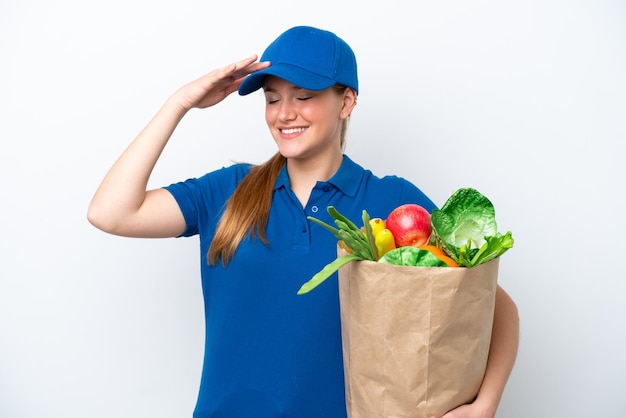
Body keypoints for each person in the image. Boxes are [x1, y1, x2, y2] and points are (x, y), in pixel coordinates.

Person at [88, 25, 519, 418]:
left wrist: (485, 404)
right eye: (272, 98)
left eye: (304, 96)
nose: (284, 113)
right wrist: (179, 103)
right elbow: (110, 213)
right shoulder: (228, 191)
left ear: (346, 101)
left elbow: (493, 303)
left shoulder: (393, 201)